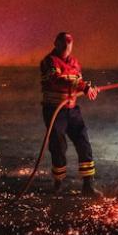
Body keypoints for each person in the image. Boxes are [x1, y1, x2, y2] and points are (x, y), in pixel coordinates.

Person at [40, 32, 102, 197]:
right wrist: (83, 86)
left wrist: (88, 89)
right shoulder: (49, 62)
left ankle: (88, 186)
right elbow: (55, 80)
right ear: (56, 44)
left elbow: (79, 82)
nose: (66, 48)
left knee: (84, 143)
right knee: (58, 146)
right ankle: (58, 183)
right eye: (63, 45)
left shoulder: (75, 63)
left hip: (72, 110)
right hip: (55, 110)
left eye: (69, 45)